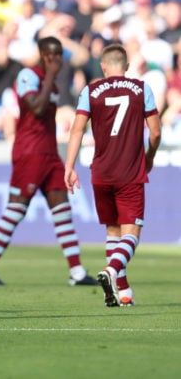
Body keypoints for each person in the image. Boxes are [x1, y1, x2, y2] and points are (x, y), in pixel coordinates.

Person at [0, 36, 98, 287]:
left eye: (59, 56)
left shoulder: (52, 85)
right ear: (42, 55)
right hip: (29, 153)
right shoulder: (28, 76)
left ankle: (77, 273)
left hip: (50, 154)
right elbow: (37, 109)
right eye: (51, 56)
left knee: (63, 211)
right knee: (16, 210)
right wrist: (51, 76)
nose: (56, 61)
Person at [64, 44, 161, 307]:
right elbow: (155, 132)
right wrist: (149, 156)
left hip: (101, 172)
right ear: (127, 67)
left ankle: (123, 291)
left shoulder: (90, 91)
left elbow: (76, 131)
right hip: (130, 171)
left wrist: (69, 166)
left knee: (113, 230)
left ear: (103, 67)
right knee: (132, 233)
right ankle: (111, 271)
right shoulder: (142, 89)